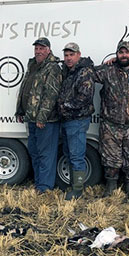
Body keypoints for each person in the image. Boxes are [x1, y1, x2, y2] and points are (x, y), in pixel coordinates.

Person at [92, 40, 129, 198]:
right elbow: (90, 72)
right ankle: (110, 187)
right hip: (111, 124)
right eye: (121, 52)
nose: (124, 55)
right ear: (116, 54)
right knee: (110, 157)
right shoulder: (108, 71)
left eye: (126, 52)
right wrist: (106, 63)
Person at [15, 37, 63, 193]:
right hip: (31, 118)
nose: (38, 51)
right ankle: (38, 183)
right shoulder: (33, 66)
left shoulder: (52, 68)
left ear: (48, 50)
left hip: (46, 121)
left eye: (42, 48)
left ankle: (44, 187)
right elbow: (25, 90)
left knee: (45, 154)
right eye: (36, 48)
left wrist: (42, 117)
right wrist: (20, 110)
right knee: (34, 152)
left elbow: (51, 95)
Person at [56, 42, 94, 200]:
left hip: (77, 120)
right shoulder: (69, 71)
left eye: (71, 54)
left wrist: (64, 106)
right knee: (69, 153)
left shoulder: (84, 72)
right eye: (66, 55)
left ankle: (78, 189)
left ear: (79, 55)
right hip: (67, 120)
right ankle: (73, 184)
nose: (68, 58)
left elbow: (84, 98)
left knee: (77, 155)